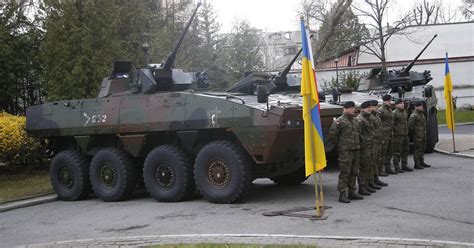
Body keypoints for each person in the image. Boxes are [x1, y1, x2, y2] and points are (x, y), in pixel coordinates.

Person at [329, 101, 364, 203]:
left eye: (354, 108)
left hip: (356, 149)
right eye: (352, 108)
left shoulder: (355, 120)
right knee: (345, 173)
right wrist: (340, 144)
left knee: (354, 172)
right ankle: (342, 194)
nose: (354, 109)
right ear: (346, 109)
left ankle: (352, 192)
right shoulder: (340, 121)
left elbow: (358, 133)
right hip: (346, 151)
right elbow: (332, 135)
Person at [356, 100, 375, 196]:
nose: (370, 109)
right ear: (363, 109)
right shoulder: (360, 119)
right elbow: (357, 134)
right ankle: (362, 187)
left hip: (370, 145)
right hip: (364, 147)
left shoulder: (368, 118)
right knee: (363, 167)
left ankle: (367, 185)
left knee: (368, 166)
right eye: (368, 108)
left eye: (371, 107)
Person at [392, 99, 413, 172]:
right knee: (397, 151)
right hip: (398, 135)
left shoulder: (404, 111)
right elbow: (392, 124)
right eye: (400, 103)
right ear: (396, 105)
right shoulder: (394, 113)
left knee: (406, 150)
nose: (402, 104)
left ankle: (404, 165)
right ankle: (397, 166)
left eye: (403, 103)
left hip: (405, 134)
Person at [409, 101, 432, 169]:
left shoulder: (421, 114)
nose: (421, 107)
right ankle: (416, 163)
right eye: (419, 106)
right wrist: (415, 132)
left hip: (423, 134)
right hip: (417, 135)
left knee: (422, 148)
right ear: (416, 107)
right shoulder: (414, 115)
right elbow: (410, 126)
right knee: (417, 149)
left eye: (421, 106)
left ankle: (421, 161)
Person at [370, 100, 388, 187]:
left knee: (376, 161)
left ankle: (376, 179)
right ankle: (371, 181)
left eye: (377, 106)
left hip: (378, 142)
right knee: (372, 163)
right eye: (374, 106)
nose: (377, 107)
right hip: (373, 143)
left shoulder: (376, 116)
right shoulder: (370, 117)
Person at [378, 94, 396, 175]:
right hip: (383, 135)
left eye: (390, 100)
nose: (390, 102)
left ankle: (388, 167)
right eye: (388, 101)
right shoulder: (381, 110)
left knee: (390, 151)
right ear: (384, 101)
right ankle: (380, 170)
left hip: (390, 134)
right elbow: (378, 123)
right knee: (382, 153)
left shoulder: (389, 110)